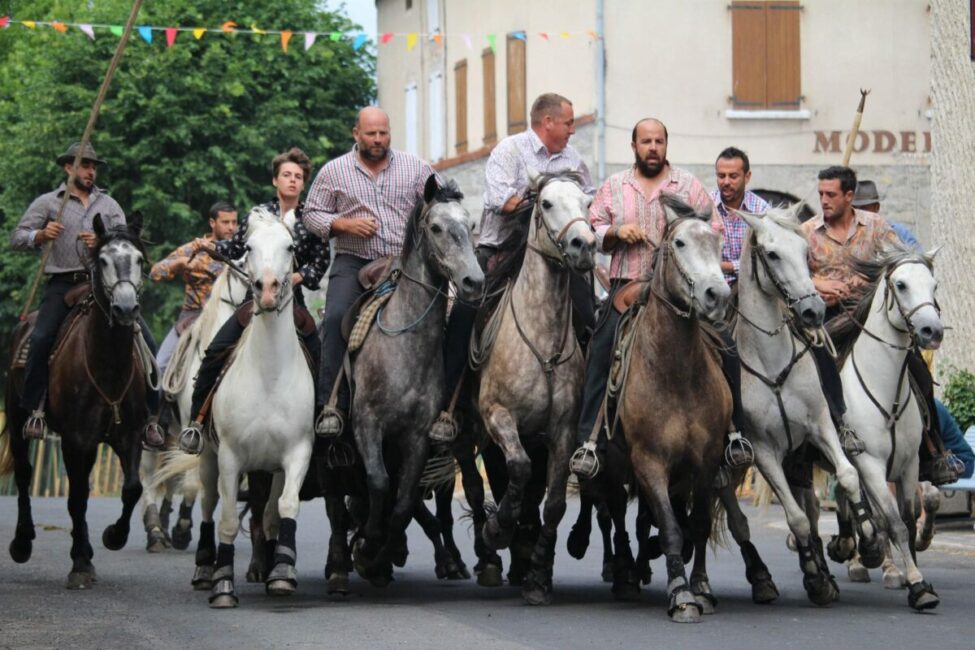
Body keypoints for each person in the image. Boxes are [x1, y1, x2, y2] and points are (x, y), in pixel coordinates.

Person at [568, 118, 751, 480]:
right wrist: (616, 232)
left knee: (726, 345)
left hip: (683, 291)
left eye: (659, 141)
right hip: (628, 286)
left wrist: (694, 244)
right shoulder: (614, 186)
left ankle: (735, 436)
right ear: (633, 146)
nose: (653, 147)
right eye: (646, 141)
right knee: (600, 347)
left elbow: (713, 229)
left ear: (667, 145)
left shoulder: (688, 186)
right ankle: (590, 442)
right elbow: (592, 227)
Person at [803, 165, 960, 485]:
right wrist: (818, 284)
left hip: (870, 319)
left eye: (830, 194)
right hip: (827, 320)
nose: (824, 201)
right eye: (820, 194)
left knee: (917, 370)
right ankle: (807, 452)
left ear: (849, 196)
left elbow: (899, 265)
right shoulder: (807, 231)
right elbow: (793, 276)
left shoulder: (876, 227)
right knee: (812, 374)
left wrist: (867, 278)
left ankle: (934, 449)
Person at [442, 93, 596, 417]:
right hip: (501, 249)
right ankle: (449, 405)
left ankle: (587, 404)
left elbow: (587, 202)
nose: (572, 130)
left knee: (589, 314)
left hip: (558, 255)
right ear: (548, 122)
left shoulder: (575, 161)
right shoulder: (509, 150)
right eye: (568, 123)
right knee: (463, 313)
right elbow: (503, 200)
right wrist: (541, 197)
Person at [10, 142, 164, 447]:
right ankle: (36, 410)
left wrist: (101, 241)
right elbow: (16, 238)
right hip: (63, 284)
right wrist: (39, 235)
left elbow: (125, 241)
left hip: (104, 286)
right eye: (85, 166)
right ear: (69, 168)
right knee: (40, 339)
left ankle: (152, 419)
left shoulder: (109, 206)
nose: (90, 171)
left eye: (93, 167)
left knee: (147, 342)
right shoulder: (48, 203)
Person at [178, 148, 329, 453]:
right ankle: (196, 422)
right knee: (216, 351)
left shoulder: (312, 220)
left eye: (298, 177)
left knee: (320, 356)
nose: (292, 180)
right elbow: (234, 247)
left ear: (304, 184)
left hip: (292, 302)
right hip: (254, 301)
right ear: (275, 180)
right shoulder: (258, 215)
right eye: (286, 175)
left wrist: (300, 277)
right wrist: (210, 246)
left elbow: (320, 260)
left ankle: (322, 422)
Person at [304, 107, 437, 437]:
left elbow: (443, 201)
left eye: (383, 133)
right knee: (335, 318)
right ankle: (330, 406)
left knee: (443, 317)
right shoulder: (333, 172)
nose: (378, 140)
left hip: (405, 264)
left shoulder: (417, 168)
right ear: (356, 134)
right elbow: (311, 215)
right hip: (354, 262)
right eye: (371, 134)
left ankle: (446, 409)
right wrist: (342, 224)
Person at [150, 201, 238, 386]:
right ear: (212, 223)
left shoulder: (239, 251)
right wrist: (180, 263)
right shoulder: (193, 248)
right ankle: (156, 414)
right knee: (159, 369)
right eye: (225, 222)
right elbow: (155, 273)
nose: (231, 227)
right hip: (193, 317)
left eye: (234, 222)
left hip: (231, 318)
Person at [710, 147, 769, 285]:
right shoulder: (706, 205)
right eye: (721, 176)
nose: (726, 182)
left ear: (747, 177)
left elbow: (766, 259)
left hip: (752, 290)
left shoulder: (761, 211)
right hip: (712, 292)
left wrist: (725, 266)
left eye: (733, 176)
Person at [851, 179, 921, 250]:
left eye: (864, 208)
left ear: (876, 207)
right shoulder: (848, 235)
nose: (860, 213)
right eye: (855, 208)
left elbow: (917, 256)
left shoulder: (899, 232)